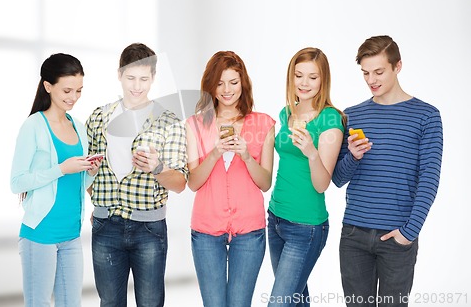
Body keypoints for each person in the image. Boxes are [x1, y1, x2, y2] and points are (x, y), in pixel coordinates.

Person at [332, 35, 443, 307]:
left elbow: (429, 178)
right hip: (354, 235)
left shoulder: (426, 116)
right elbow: (337, 178)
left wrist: (409, 232)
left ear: (398, 66)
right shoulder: (352, 115)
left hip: (397, 235)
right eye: (365, 73)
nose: (371, 80)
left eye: (379, 71)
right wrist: (354, 157)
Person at [86, 43, 188, 307]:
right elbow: (89, 173)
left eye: (144, 78)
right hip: (106, 226)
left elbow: (180, 183)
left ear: (153, 77)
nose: (137, 86)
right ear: (119, 74)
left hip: (149, 230)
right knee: (109, 302)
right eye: (131, 77)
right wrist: (98, 201)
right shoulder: (98, 118)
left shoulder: (170, 120)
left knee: (151, 303)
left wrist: (157, 167)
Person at [186, 51, 275, 307]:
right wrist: (215, 153)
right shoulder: (194, 125)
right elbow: (193, 182)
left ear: (243, 83)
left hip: (249, 230)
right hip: (205, 230)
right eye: (220, 82)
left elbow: (265, 182)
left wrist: (246, 156)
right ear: (210, 86)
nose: (226, 90)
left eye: (233, 82)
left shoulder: (264, 124)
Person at [10, 53, 100, 307]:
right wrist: (60, 168)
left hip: (71, 234)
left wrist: (89, 171)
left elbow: (75, 184)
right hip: (40, 234)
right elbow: (17, 182)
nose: (73, 97)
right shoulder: (33, 126)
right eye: (67, 90)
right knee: (38, 303)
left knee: (71, 303)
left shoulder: (79, 126)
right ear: (48, 87)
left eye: (79, 91)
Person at [267, 47, 345, 307]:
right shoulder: (287, 112)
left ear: (323, 80)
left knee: (279, 302)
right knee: (296, 300)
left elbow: (322, 184)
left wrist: (311, 152)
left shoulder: (329, 119)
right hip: (276, 218)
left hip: (306, 227)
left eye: (312, 77)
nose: (304, 83)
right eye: (298, 75)